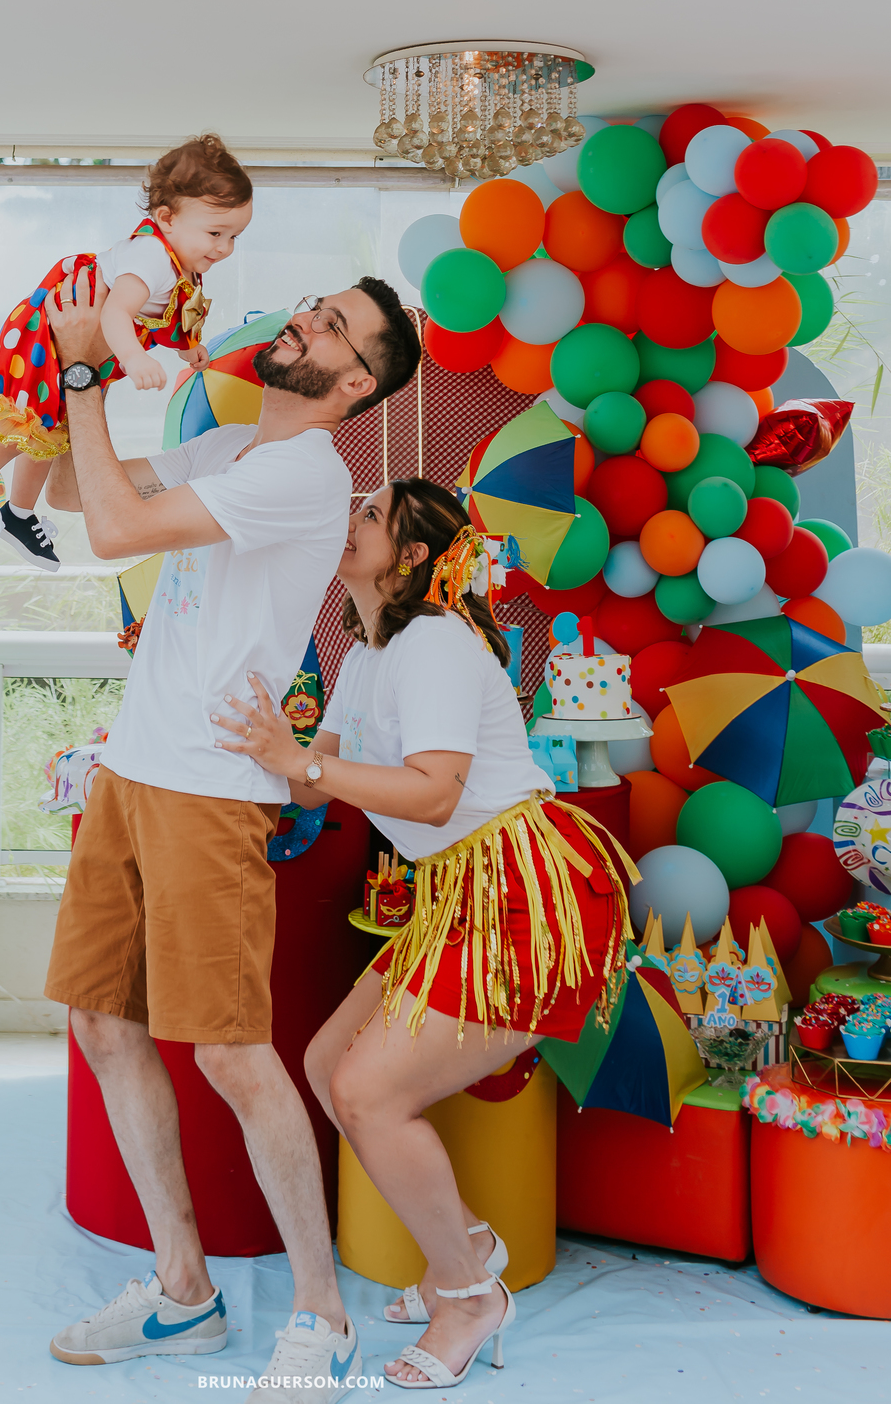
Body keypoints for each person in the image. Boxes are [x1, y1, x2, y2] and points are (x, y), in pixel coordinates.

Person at [41, 269, 422, 1389]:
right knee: (101, 1022)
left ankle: (321, 1314)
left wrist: (80, 372)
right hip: (133, 766)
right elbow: (73, 490)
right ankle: (184, 1292)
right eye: (315, 304)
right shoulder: (239, 447)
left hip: (209, 789)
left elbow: (114, 529)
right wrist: (37, 398)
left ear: (354, 381)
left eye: (333, 327)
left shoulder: (307, 470)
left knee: (230, 1053)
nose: (304, 319)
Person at [214, 479, 633, 1392]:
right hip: (456, 889)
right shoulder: (364, 651)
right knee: (328, 1069)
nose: (349, 516)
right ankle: (470, 1243)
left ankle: (469, 1293)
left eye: (370, 512)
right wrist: (249, 747)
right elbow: (315, 786)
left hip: (521, 886)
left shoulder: (436, 640)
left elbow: (435, 791)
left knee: (367, 1090)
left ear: (410, 555)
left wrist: (303, 760)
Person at [0, 134, 252, 571]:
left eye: (235, 236)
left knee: (56, 431)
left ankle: (18, 513)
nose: (225, 248)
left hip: (87, 353)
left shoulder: (181, 262)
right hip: (47, 339)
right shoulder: (151, 259)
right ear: (167, 218)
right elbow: (117, 314)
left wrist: (187, 348)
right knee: (26, 424)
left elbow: (162, 316)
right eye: (216, 233)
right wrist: (136, 358)